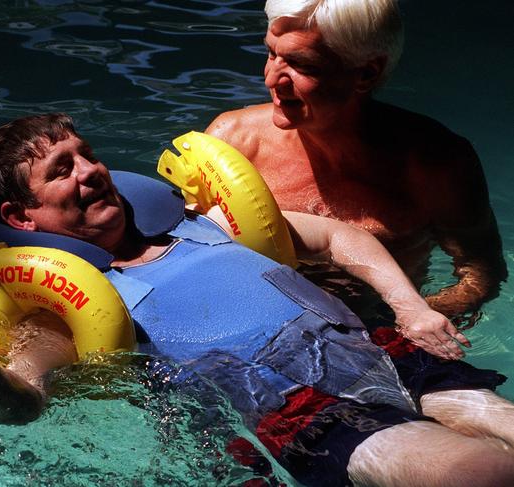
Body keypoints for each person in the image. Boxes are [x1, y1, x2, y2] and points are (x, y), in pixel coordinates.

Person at [0, 114, 514, 487]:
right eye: (63, 170)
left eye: (86, 153)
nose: (91, 171)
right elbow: (24, 398)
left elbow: (339, 237)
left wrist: (407, 305)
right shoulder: (58, 307)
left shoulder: (202, 221)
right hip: (292, 409)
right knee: (488, 471)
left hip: (376, 350)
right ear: (20, 216)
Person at [205, 0, 507, 343]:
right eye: (272, 53)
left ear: (366, 73)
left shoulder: (435, 165)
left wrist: (413, 322)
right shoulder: (234, 141)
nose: (272, 78)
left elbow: (480, 272)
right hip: (255, 332)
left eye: (301, 64)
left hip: (379, 333)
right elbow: (179, 253)